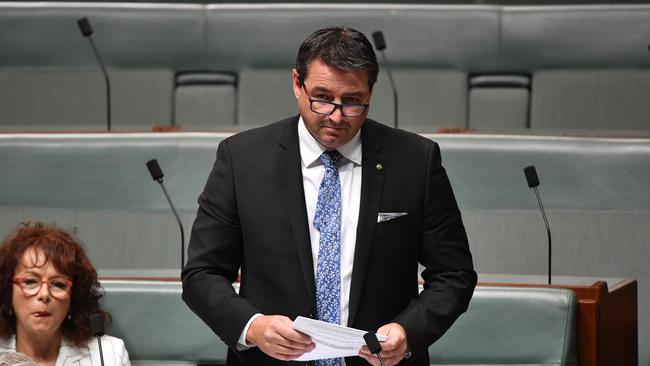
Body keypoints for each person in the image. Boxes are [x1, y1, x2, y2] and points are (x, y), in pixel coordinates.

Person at [182, 26, 476, 366]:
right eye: (321, 98)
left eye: (352, 101)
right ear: (297, 83)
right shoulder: (241, 159)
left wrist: (408, 332)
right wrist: (254, 327)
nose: (335, 116)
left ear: (370, 91)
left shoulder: (415, 161)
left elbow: (454, 274)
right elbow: (202, 274)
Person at [0, 222, 131, 366]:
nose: (44, 294)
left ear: (73, 298)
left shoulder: (108, 354)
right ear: (8, 291)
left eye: (58, 284)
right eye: (30, 281)